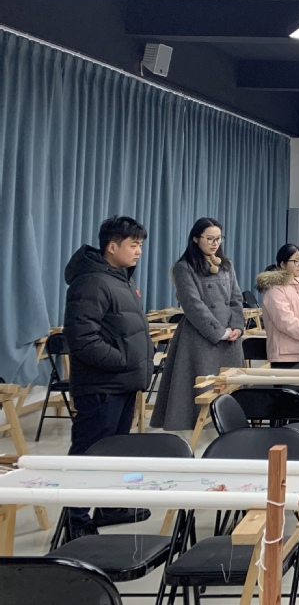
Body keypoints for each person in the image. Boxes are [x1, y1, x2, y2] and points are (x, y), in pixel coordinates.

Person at [62, 215, 154, 537]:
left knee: (114, 449)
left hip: (121, 382)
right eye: (133, 245)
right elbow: (82, 338)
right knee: (89, 453)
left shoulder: (119, 278)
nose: (139, 251)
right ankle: (76, 522)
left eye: (140, 245)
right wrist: (123, 360)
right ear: (112, 247)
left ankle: (108, 506)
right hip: (102, 385)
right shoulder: (91, 282)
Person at [151, 217, 245, 431]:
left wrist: (237, 328)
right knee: (199, 387)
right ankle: (196, 434)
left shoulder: (226, 265)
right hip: (202, 337)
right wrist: (219, 332)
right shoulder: (184, 267)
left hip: (230, 338)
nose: (215, 243)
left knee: (229, 387)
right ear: (195, 238)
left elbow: (236, 298)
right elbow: (192, 304)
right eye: (210, 238)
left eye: (218, 238)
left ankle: (229, 428)